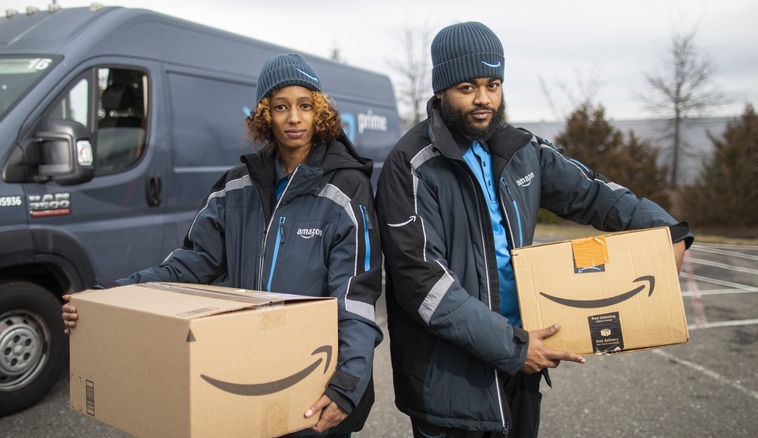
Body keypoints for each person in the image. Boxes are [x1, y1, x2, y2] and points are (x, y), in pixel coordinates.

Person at [374, 21, 693, 438]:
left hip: (524, 358)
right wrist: (511, 348)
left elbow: (592, 193)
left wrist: (666, 228)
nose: (484, 99)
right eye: (467, 88)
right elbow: (421, 282)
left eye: (493, 84)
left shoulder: (523, 150)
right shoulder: (411, 165)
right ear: (440, 91)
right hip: (449, 377)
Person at [62, 53, 383, 438]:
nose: (294, 118)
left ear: (320, 113)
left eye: (304, 106)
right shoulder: (235, 187)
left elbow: (356, 295)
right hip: (244, 365)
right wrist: (109, 296)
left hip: (312, 374)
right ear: (265, 114)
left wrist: (347, 383)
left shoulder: (346, 189)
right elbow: (188, 265)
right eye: (281, 107)